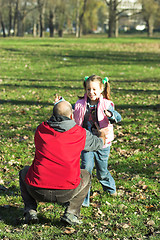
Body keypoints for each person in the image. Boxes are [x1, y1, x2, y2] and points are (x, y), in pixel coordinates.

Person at [19, 100, 106, 225]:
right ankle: (71, 213)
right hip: (67, 191)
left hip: (37, 189)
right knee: (86, 175)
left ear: (53, 115)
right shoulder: (80, 133)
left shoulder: (40, 129)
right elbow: (98, 144)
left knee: (24, 172)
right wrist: (102, 135)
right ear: (71, 116)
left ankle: (30, 210)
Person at [73, 75, 122, 207]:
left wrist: (111, 115)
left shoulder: (107, 104)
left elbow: (118, 116)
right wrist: (59, 103)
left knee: (102, 171)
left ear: (101, 89)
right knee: (86, 169)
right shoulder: (79, 104)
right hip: (86, 142)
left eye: (94, 89)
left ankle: (111, 189)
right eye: (88, 89)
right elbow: (68, 112)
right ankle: (84, 200)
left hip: (103, 143)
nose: (91, 92)